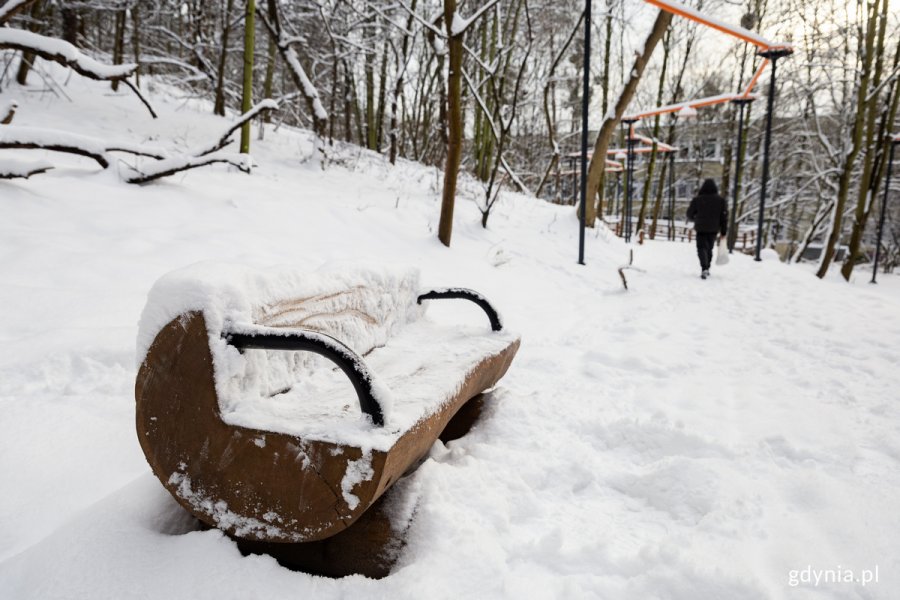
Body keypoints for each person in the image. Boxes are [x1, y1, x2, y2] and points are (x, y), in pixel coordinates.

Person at [686, 178, 728, 279]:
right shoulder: (721, 201)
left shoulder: (697, 200)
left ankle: (704, 267)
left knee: (701, 248)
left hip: (701, 227)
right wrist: (723, 231)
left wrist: (695, 218)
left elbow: (689, 214)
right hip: (713, 228)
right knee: (709, 248)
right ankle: (707, 267)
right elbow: (724, 217)